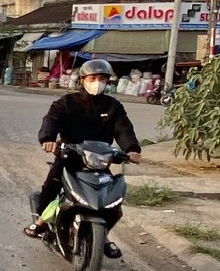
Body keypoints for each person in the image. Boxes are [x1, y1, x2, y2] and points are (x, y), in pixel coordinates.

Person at [23, 59, 141, 259]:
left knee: (112, 204)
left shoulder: (113, 106)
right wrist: (48, 139)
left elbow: (123, 128)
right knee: (50, 188)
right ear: (83, 80)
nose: (97, 82)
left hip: (99, 162)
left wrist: (132, 149)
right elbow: (51, 121)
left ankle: (102, 235)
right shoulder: (66, 103)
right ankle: (43, 223)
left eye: (102, 79)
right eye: (93, 78)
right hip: (69, 158)